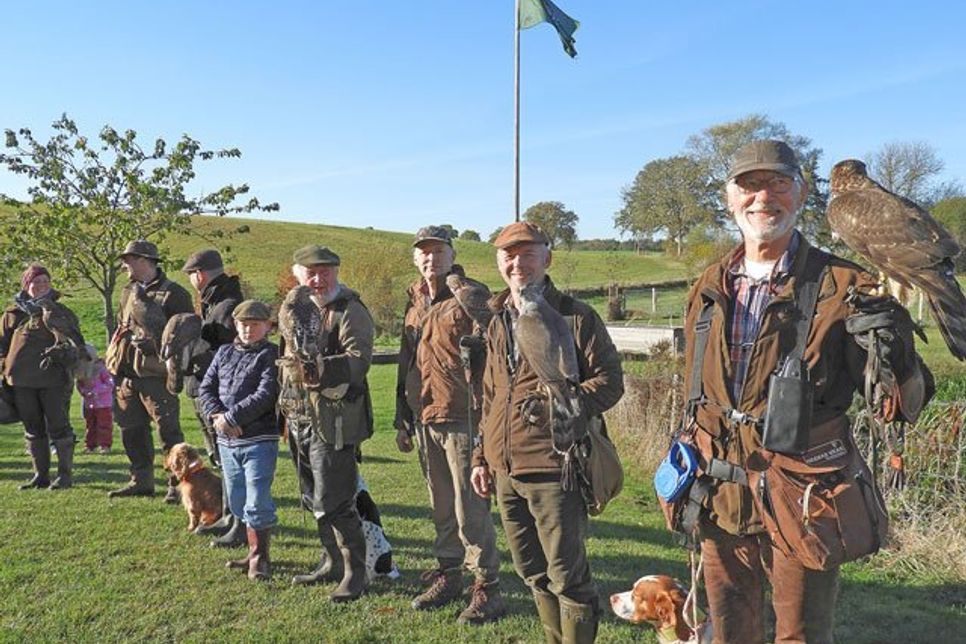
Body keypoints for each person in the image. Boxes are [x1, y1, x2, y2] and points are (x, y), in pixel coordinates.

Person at [676, 140, 934, 643]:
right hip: (720, 493)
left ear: (802, 193)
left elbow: (906, 404)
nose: (762, 198)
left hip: (804, 497)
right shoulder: (708, 285)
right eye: (749, 185)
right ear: (730, 198)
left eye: (778, 184)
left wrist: (894, 344)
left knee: (801, 636)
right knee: (730, 632)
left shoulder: (846, 283)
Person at [470, 222, 624, 642]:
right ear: (498, 262)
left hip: (557, 469)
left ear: (547, 259)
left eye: (527, 254)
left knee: (567, 576)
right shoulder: (498, 318)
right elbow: (490, 394)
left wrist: (562, 404)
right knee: (532, 572)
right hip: (505, 469)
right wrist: (481, 457)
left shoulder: (575, 318)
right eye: (508, 255)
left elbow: (610, 382)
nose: (517, 263)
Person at [394, 226, 505, 624]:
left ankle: (487, 587)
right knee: (441, 506)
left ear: (452, 253)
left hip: (463, 416)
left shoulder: (469, 293)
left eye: (438, 251)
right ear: (415, 258)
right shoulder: (415, 300)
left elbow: (498, 349)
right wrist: (401, 417)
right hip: (425, 416)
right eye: (423, 252)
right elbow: (408, 363)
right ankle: (449, 575)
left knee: (469, 509)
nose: (430, 258)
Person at [279, 245, 374, 602]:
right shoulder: (293, 309)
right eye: (311, 272)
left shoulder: (350, 310)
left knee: (335, 499)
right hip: (298, 415)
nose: (318, 279)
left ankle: (356, 573)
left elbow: (358, 362)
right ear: (298, 275)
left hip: (334, 420)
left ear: (336, 272)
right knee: (311, 496)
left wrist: (316, 366)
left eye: (326, 272)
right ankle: (331, 561)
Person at [198, 299, 279, 581]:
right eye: (244, 324)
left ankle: (261, 559)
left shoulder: (271, 354)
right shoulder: (223, 353)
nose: (248, 329)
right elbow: (205, 387)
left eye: (255, 324)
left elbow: (266, 393)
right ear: (235, 324)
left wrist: (231, 419)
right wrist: (218, 416)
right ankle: (250, 551)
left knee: (257, 499)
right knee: (237, 499)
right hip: (227, 442)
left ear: (267, 327)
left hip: (259, 439)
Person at [106, 240, 194, 500]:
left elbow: (186, 337)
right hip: (127, 374)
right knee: (131, 430)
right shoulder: (126, 292)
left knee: (169, 432)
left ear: (144, 261)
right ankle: (141, 481)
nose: (124, 265)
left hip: (157, 375)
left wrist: (155, 345)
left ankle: (177, 485)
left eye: (128, 260)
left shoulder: (174, 294)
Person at [180, 248, 246, 547]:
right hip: (212, 394)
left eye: (192, 275)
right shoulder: (215, 302)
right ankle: (229, 516)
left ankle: (237, 521)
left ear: (199, 274)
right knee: (222, 460)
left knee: (232, 462)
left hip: (222, 398)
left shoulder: (226, 305)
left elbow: (230, 358)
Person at [0, 264, 85, 490]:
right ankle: (40, 476)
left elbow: (77, 345)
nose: (41, 286)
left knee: (59, 427)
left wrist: (65, 353)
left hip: (53, 380)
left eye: (45, 282)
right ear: (26, 285)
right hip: (20, 381)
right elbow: (2, 346)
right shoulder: (12, 315)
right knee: (33, 428)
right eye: (36, 282)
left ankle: (65, 476)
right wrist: (4, 367)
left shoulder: (60, 311)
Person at [76, 344, 114, 454]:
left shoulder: (101, 370)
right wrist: (84, 392)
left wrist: (97, 391)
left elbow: (110, 384)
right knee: (90, 425)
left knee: (104, 425)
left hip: (103, 404)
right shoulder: (82, 371)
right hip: (89, 404)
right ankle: (90, 445)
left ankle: (105, 445)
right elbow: (79, 385)